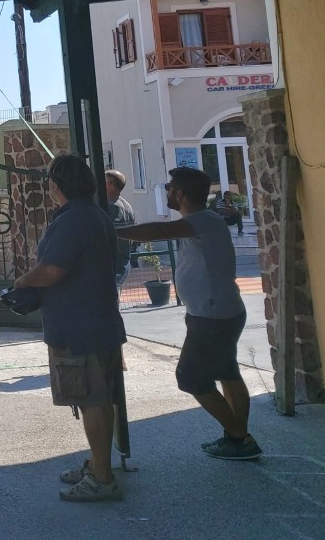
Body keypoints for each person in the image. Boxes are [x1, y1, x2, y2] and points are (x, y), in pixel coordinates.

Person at [118, 166, 261, 461]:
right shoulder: (202, 220)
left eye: (169, 187)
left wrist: (111, 232)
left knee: (190, 378)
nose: (167, 192)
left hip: (212, 316)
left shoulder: (201, 220)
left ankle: (240, 437)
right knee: (227, 372)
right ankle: (237, 439)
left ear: (180, 193)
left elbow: (157, 230)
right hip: (218, 312)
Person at [14, 154, 127, 502]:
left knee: (92, 400)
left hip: (80, 326)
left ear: (56, 185)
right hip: (98, 320)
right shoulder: (95, 214)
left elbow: (51, 270)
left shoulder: (72, 220)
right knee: (99, 399)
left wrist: (22, 281)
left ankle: (102, 478)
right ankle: (97, 464)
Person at [105, 170, 136, 284]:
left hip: (112, 267)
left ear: (108, 183)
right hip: (122, 265)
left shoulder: (110, 207)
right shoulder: (127, 206)